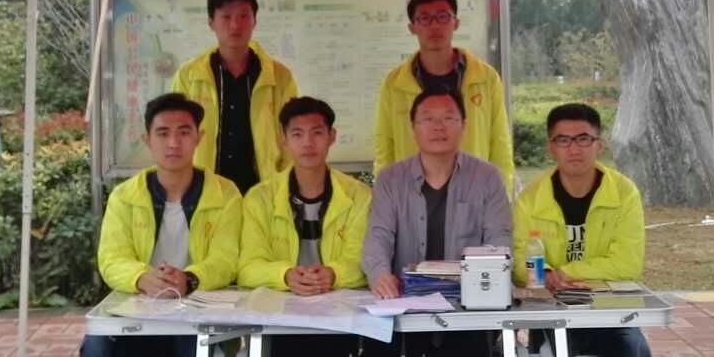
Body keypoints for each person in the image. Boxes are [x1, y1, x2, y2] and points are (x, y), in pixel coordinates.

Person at [81, 92, 243, 357]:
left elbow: (226, 260)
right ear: (147, 140)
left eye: (184, 132)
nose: (173, 143)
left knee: (198, 348)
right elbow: (112, 259)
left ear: (199, 138)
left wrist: (189, 279)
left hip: (199, 309)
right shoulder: (125, 196)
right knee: (97, 346)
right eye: (163, 133)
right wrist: (143, 278)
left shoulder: (225, 194)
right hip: (138, 306)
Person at [362, 84, 512, 357]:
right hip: (404, 307)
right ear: (413, 127)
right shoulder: (390, 180)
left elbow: (498, 241)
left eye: (448, 118)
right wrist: (379, 274)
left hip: (467, 307)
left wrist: (483, 283)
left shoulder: (487, 178)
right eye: (428, 119)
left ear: (464, 125)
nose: (438, 126)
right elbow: (377, 236)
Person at [512, 103, 651, 357]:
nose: (574, 149)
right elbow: (519, 258)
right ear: (550, 148)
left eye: (584, 139)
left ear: (600, 145)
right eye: (563, 140)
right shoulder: (530, 199)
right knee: (555, 350)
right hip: (552, 308)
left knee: (632, 349)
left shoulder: (624, 193)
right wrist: (545, 274)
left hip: (610, 308)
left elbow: (627, 264)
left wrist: (565, 273)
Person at [239, 96, 371, 356]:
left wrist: (332, 274)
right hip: (277, 320)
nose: (308, 143)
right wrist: (286, 275)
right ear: (283, 140)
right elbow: (247, 267)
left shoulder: (359, 196)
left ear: (332, 136)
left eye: (317, 133)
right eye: (297, 134)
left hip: (340, 320)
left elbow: (364, 261)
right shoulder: (259, 197)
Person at [372, 0, 515, 190]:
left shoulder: (486, 78)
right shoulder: (394, 84)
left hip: (473, 193)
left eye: (442, 16)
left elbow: (500, 144)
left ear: (456, 23)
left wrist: (501, 197)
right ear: (412, 27)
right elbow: (384, 149)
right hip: (413, 196)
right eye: (425, 18)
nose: (434, 26)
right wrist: (385, 199)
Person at [171, 0, 299, 194]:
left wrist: (282, 185)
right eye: (226, 17)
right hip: (204, 191)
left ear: (254, 20)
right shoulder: (188, 77)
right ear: (211, 22)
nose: (235, 25)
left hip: (263, 191)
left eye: (243, 16)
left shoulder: (280, 77)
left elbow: (293, 136)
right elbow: (175, 135)